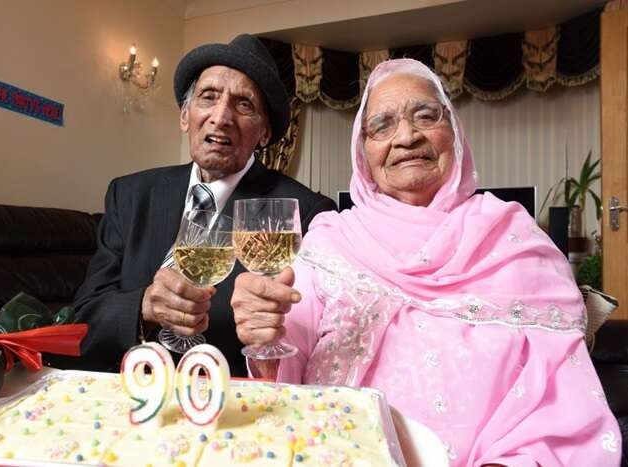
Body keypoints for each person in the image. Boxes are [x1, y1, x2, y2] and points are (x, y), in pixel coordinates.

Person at [231, 58, 621, 466]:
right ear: (363, 153)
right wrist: (263, 329)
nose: (406, 136)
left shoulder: (514, 239)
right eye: (382, 126)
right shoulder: (331, 240)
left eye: (425, 115)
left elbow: (562, 400)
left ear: (454, 132)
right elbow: (286, 367)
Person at [74, 34, 336, 376]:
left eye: (244, 104)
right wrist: (144, 305)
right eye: (208, 97)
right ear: (185, 117)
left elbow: (312, 344)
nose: (221, 116)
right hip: (124, 388)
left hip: (227, 400)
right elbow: (84, 318)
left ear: (265, 133)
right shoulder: (130, 194)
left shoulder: (305, 211)